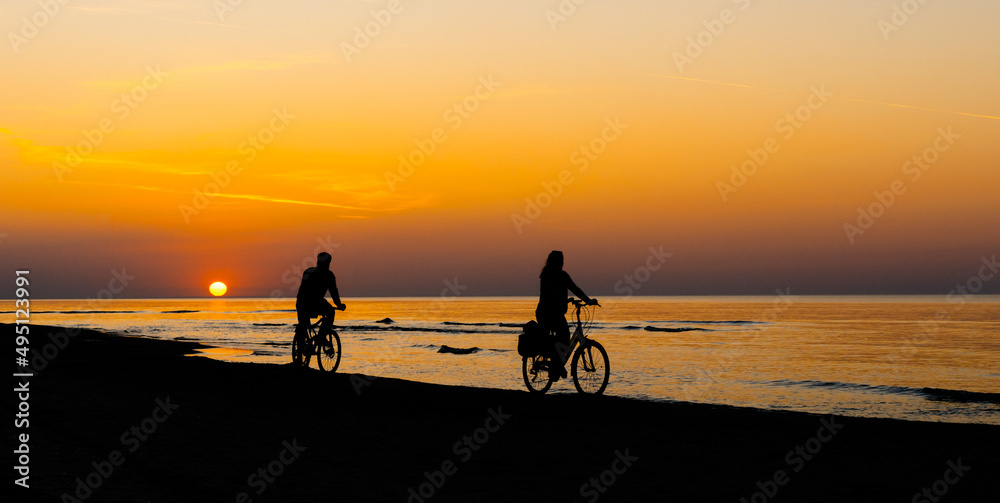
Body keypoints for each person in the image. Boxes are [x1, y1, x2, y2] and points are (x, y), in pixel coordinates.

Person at [535, 250, 597, 381]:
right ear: (553, 262)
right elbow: (551, 291)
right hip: (545, 313)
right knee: (564, 335)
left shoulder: (563, 275)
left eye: (562, 261)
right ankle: (557, 366)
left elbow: (575, 288)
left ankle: (556, 365)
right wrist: (562, 299)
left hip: (556, 313)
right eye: (559, 261)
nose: (562, 264)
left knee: (563, 336)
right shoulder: (546, 275)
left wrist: (588, 300)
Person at [294, 252, 346, 365]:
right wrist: (339, 304)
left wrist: (339, 304)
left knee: (330, 312)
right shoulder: (311, 273)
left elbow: (333, 292)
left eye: (328, 263)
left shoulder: (328, 275)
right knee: (303, 327)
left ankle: (321, 337)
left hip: (315, 302)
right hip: (305, 302)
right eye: (326, 263)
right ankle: (301, 353)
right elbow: (303, 291)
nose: (327, 265)